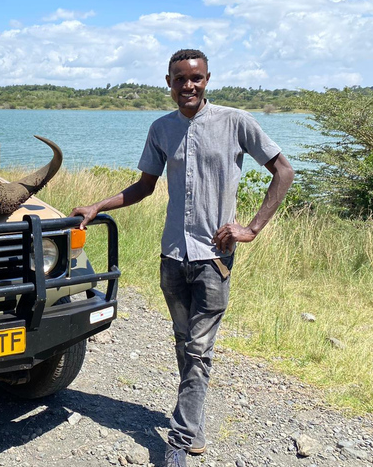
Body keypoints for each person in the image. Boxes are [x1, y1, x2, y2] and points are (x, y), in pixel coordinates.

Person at [70, 49, 294, 467]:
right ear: (168, 82)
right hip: (173, 256)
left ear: (208, 79)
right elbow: (144, 187)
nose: (188, 86)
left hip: (214, 260)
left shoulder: (235, 122)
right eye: (180, 79)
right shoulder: (161, 129)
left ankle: (181, 438)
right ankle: (196, 424)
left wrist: (251, 228)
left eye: (196, 78)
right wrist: (98, 206)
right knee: (184, 342)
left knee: (198, 348)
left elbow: (283, 170)